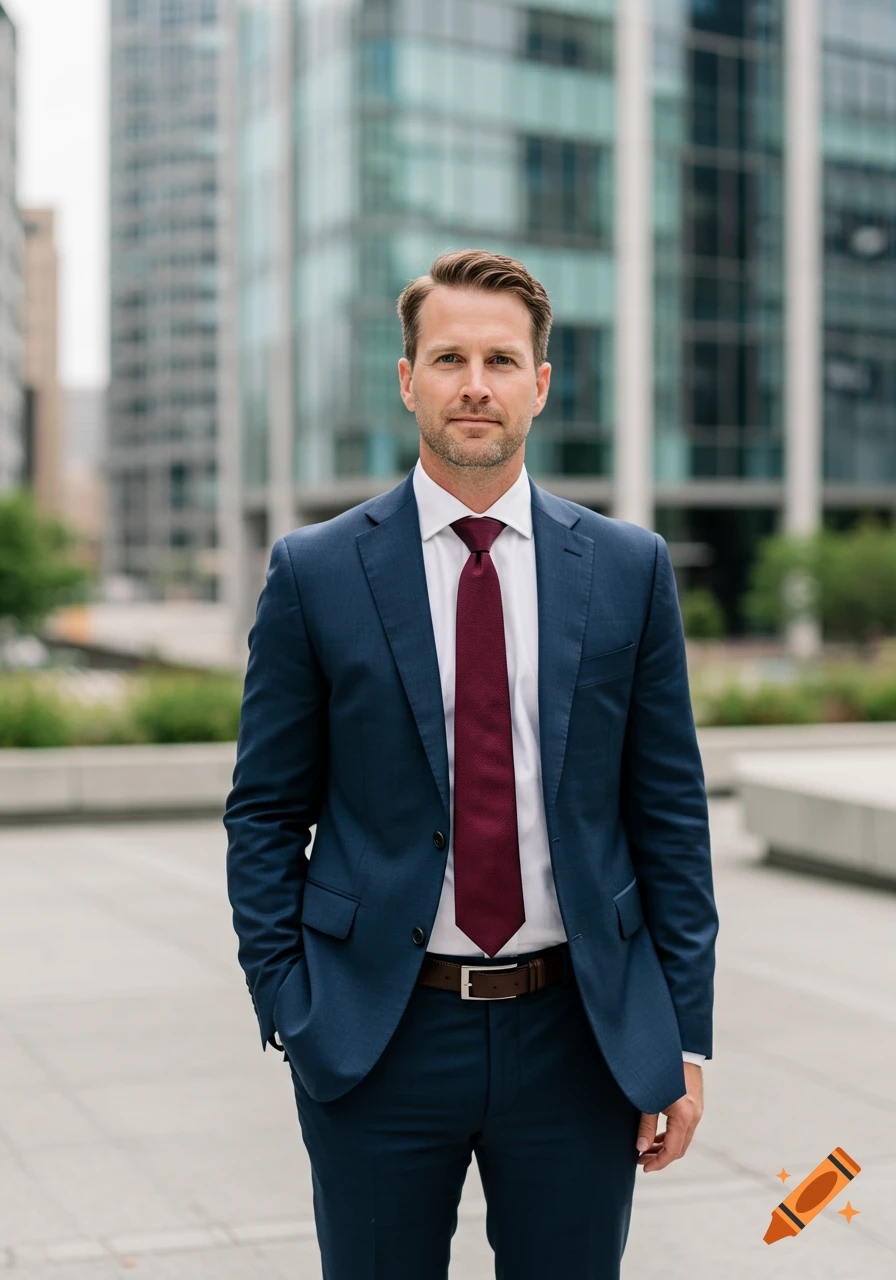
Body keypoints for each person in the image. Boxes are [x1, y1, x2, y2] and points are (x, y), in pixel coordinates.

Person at [224, 249, 719, 1279]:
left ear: (540, 382)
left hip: (580, 1034)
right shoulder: (314, 572)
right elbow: (264, 811)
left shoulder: (629, 569)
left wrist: (681, 1032)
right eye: (447, 357)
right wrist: (289, 1005)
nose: (474, 384)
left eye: (501, 359)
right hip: (377, 1033)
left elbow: (667, 813)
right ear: (406, 378)